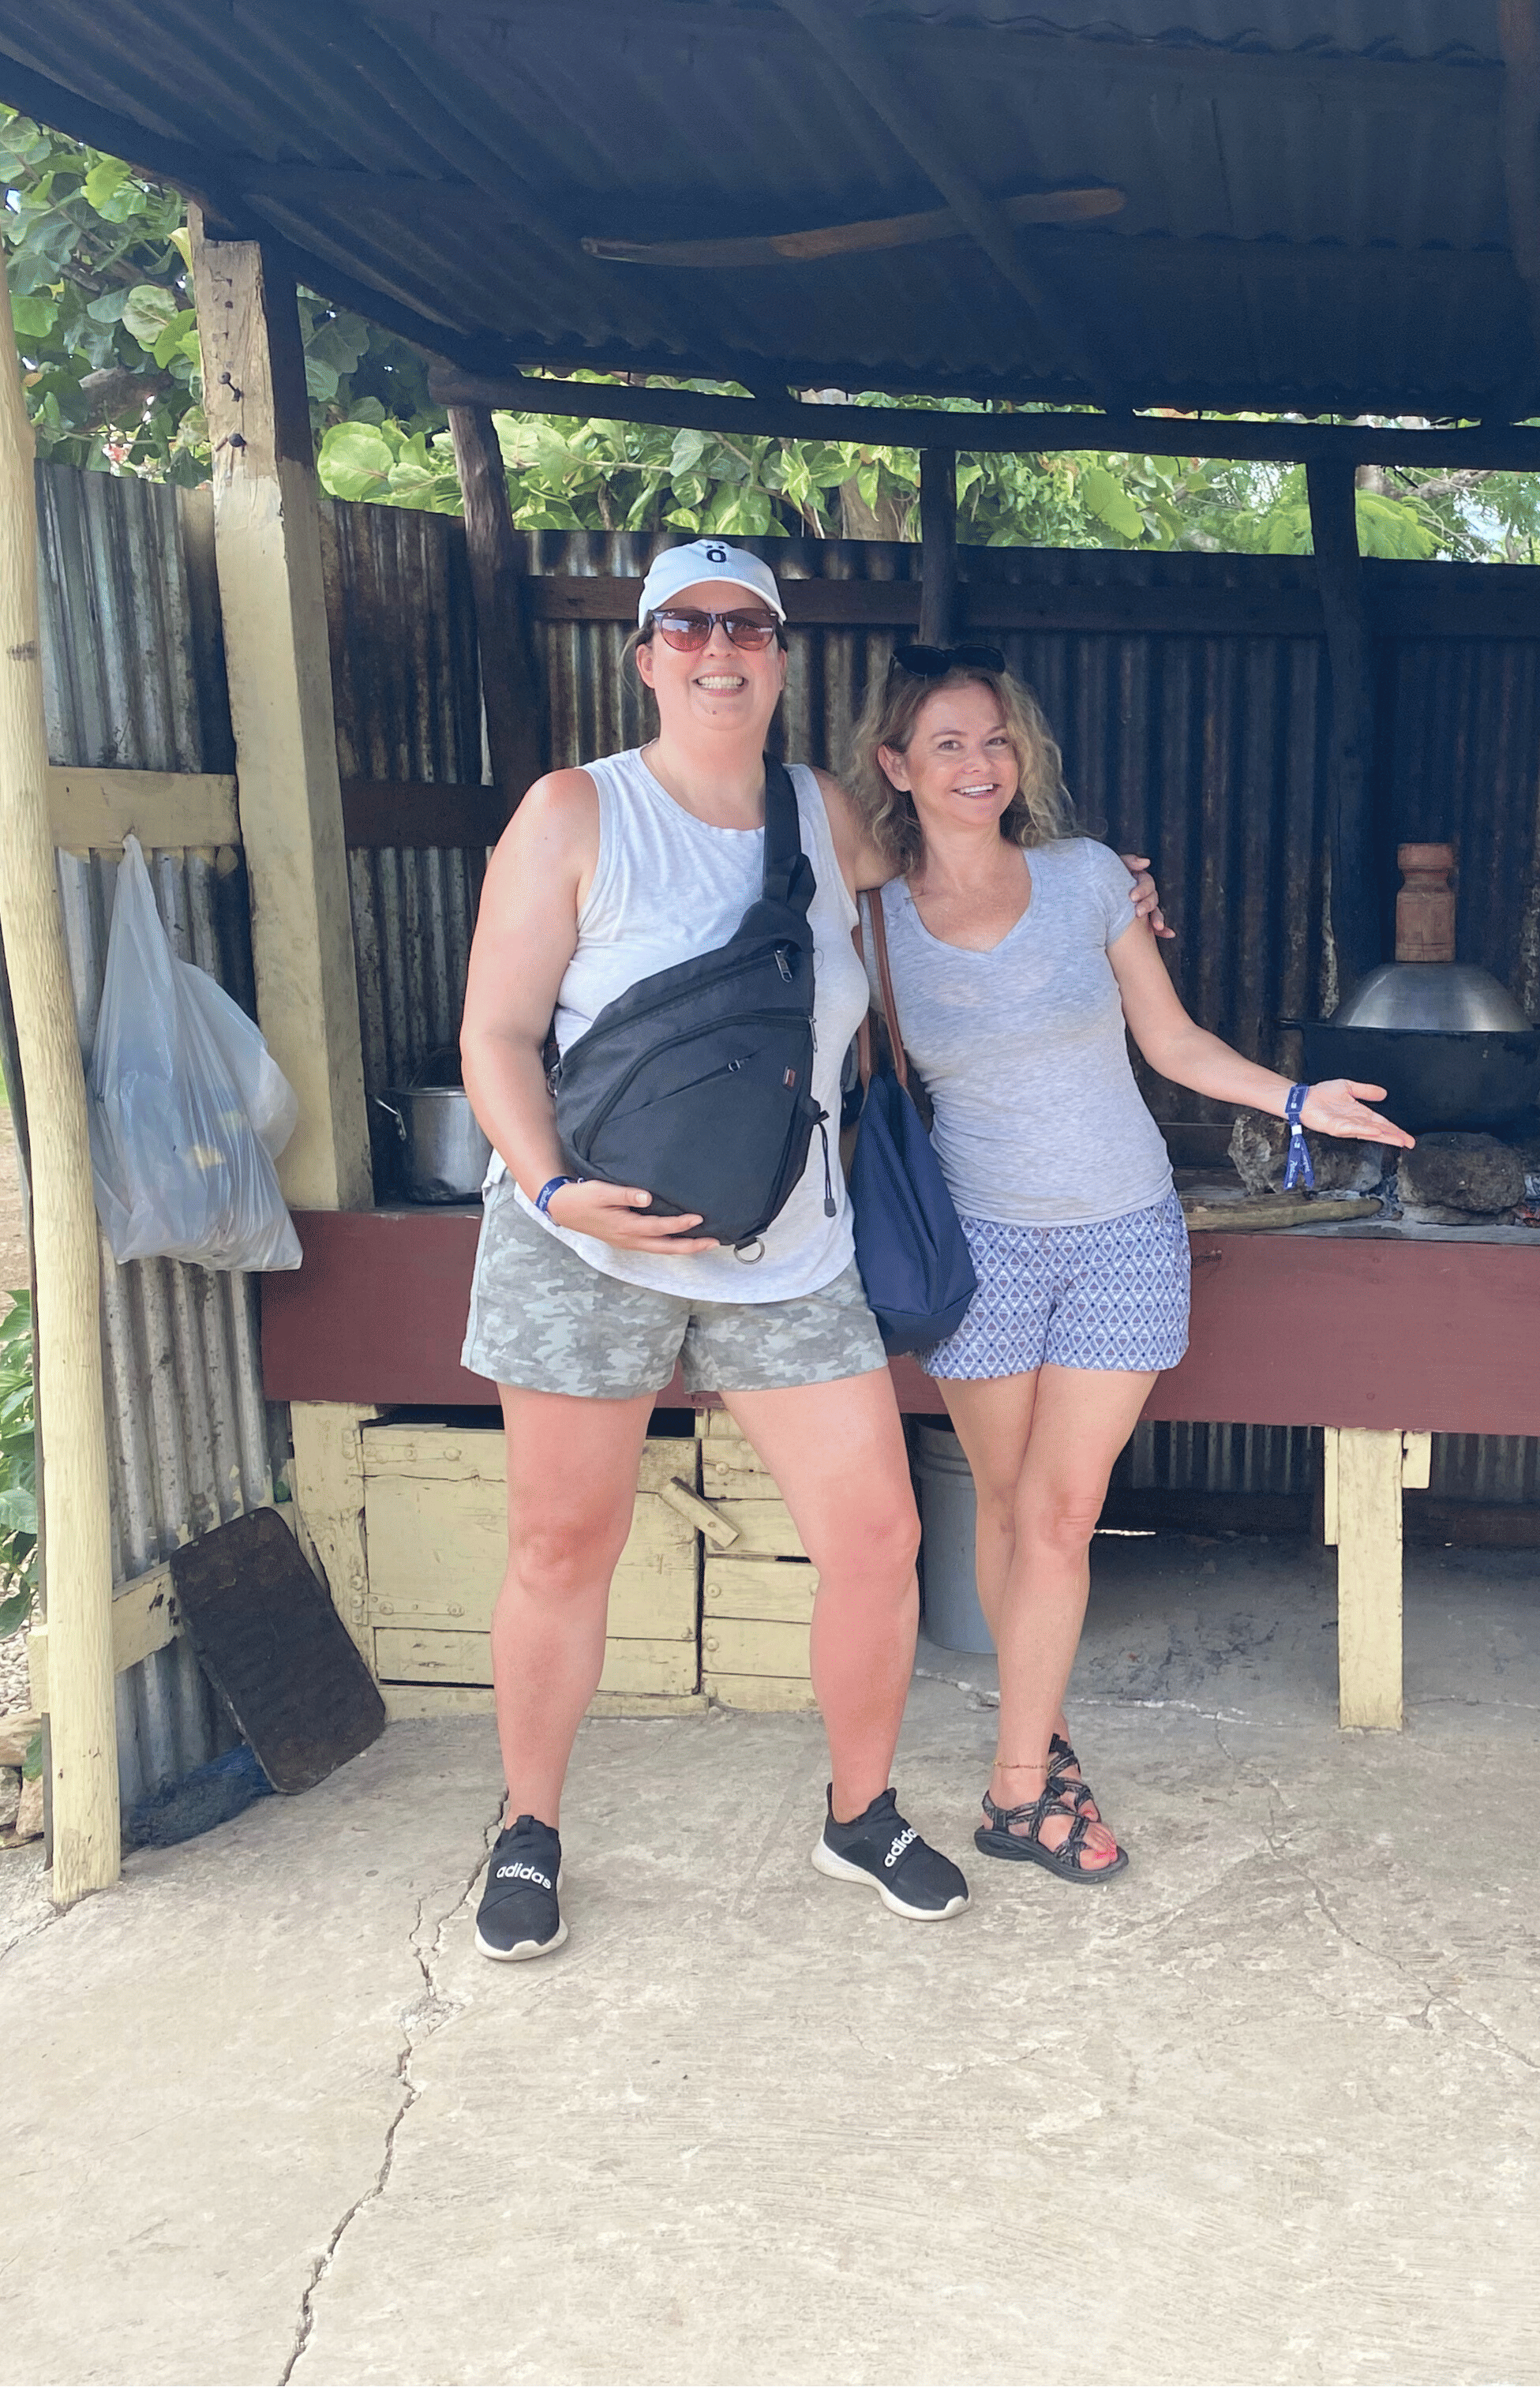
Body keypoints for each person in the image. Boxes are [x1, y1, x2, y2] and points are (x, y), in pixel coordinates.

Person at [453, 545, 1167, 1958]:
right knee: (559, 1543)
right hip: (590, 1246)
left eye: (749, 628)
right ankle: (528, 1826)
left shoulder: (824, 814)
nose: (720, 650)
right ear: (648, 654)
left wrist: (1103, 890)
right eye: (689, 626)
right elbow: (494, 1034)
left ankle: (863, 1812)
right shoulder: (574, 812)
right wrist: (546, 1192)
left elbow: (957, 870)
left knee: (882, 1538)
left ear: (781, 659)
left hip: (788, 1253)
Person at [850, 643, 1408, 1882]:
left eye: (995, 740)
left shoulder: (1091, 879)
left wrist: (1302, 1100)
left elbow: (1175, 1043)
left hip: (1122, 1233)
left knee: (1063, 1510)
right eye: (946, 743)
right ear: (895, 765)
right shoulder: (870, 921)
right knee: (1003, 1510)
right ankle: (1038, 1755)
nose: (978, 763)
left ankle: (1012, 1787)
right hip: (979, 1243)